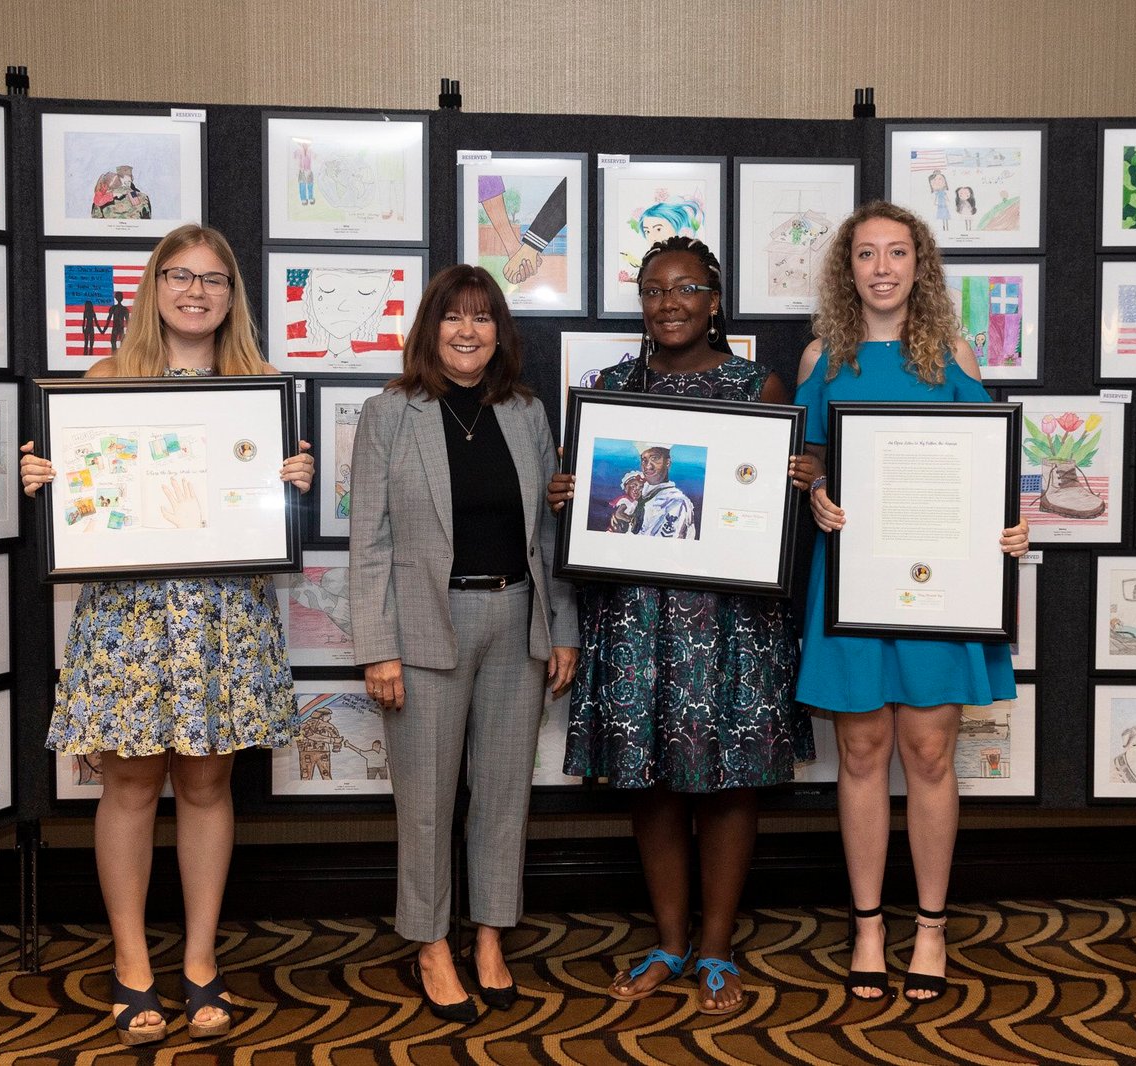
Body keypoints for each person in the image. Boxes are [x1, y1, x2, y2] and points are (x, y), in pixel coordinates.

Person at [19, 224, 315, 1046]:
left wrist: (293, 483)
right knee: (129, 784)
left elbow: (265, 513)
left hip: (223, 614)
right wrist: (47, 479)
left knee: (209, 785)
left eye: (213, 279)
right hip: (130, 617)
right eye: (179, 276)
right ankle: (131, 963)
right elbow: (85, 500)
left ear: (231, 295)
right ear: (154, 287)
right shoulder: (104, 382)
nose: (196, 292)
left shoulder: (259, 387)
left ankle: (199, 959)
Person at [550, 236, 813, 1016]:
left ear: (714, 301)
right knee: (650, 783)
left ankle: (718, 948)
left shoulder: (756, 384)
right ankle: (670, 942)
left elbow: (768, 504)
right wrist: (569, 494)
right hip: (636, 617)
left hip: (732, 621)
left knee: (729, 784)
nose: (669, 303)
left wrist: (804, 475)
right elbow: (595, 509)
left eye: (687, 288)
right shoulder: (610, 389)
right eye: (654, 290)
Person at [788, 202, 1030, 1007]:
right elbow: (810, 461)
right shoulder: (823, 356)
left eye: (897, 253)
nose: (882, 268)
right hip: (853, 575)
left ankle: (930, 927)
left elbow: (986, 461)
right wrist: (818, 494)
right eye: (866, 254)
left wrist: (1012, 525)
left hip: (938, 583)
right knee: (861, 753)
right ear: (847, 269)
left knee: (928, 753)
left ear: (919, 266)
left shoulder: (952, 352)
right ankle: (867, 927)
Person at [349, 264, 577, 1024]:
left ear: (499, 332)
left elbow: (550, 535)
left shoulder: (526, 412)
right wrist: (378, 647)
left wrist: (562, 628)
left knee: (505, 797)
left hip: (517, 620)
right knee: (426, 804)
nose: (468, 331)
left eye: (482, 317)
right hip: (424, 626)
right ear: (431, 328)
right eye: (453, 317)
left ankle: (489, 937)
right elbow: (369, 543)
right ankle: (430, 944)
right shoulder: (390, 414)